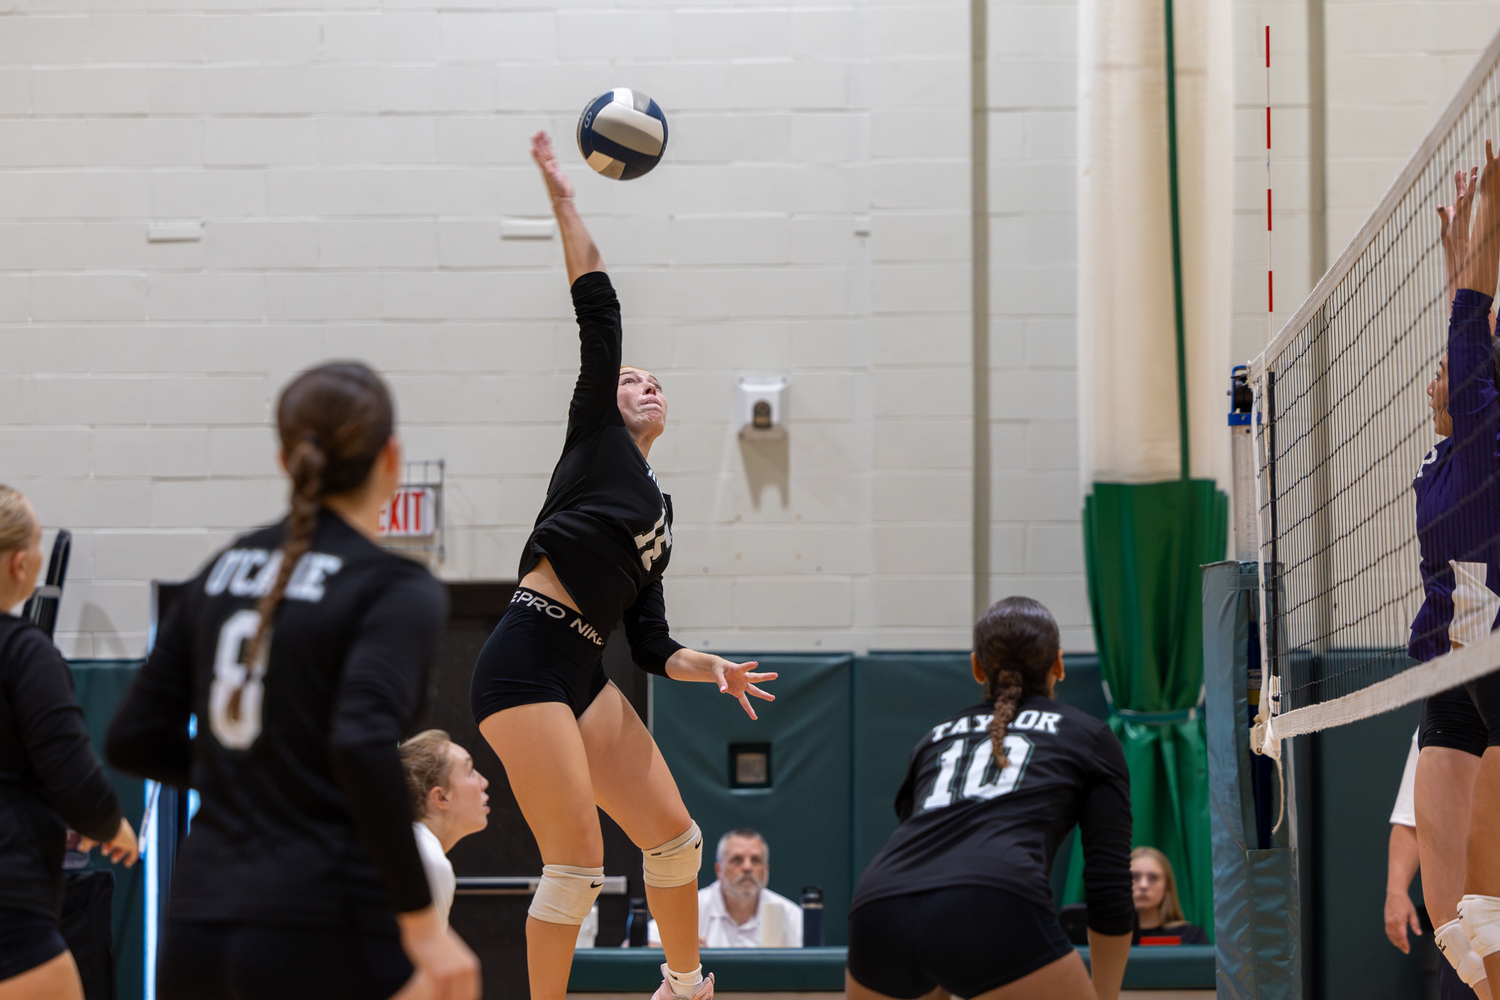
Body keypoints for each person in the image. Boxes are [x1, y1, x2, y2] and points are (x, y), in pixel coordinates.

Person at [469, 130, 776, 1000]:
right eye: (632, 378)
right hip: (525, 657)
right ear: (605, 400)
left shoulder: (658, 515)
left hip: (585, 668)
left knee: (674, 840)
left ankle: (684, 986)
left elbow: (650, 645)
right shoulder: (596, 440)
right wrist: (565, 200)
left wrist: (705, 665)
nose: (647, 383)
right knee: (576, 866)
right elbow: (598, 308)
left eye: (655, 381)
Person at [105, 362, 480, 1000]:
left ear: (285, 459)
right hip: (319, 918)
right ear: (391, 458)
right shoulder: (394, 587)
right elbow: (361, 741)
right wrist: (421, 925)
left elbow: (131, 739)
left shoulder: (222, 569)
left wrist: (252, 777)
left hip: (197, 918)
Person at [846, 596, 1133, 1000]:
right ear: (1059, 664)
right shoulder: (1089, 736)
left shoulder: (933, 738)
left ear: (977, 666)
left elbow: (930, 865)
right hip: (994, 901)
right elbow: (1108, 884)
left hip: (879, 907)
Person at [1411, 150, 1500, 996]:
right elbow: (1464, 330)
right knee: (1453, 925)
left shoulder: (1484, 446)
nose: (1435, 376)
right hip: (1448, 670)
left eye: (1457, 367)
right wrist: (1454, 257)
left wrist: (1491, 209)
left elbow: (1474, 321)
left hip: (1497, 662)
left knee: (1494, 916)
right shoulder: (1447, 456)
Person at [0, 485, 138, 1000]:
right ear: (20, 564)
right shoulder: (24, 652)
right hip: (11, 909)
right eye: (38, 543)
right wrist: (110, 826)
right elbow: (74, 777)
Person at [647, 829, 804, 948]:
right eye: (737, 860)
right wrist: (684, 953)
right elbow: (636, 945)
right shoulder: (694, 907)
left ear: (766, 869)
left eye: (756, 860)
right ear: (718, 870)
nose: (748, 867)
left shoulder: (790, 914)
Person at [400, 729, 491, 929]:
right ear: (441, 797)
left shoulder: (412, 847)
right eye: (470, 771)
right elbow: (424, 958)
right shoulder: (428, 860)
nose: (484, 782)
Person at [1128, 847, 1207, 945]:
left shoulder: (1192, 936)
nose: (1143, 885)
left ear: (1167, 887)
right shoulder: (1110, 937)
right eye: (1134, 877)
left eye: (1153, 878)